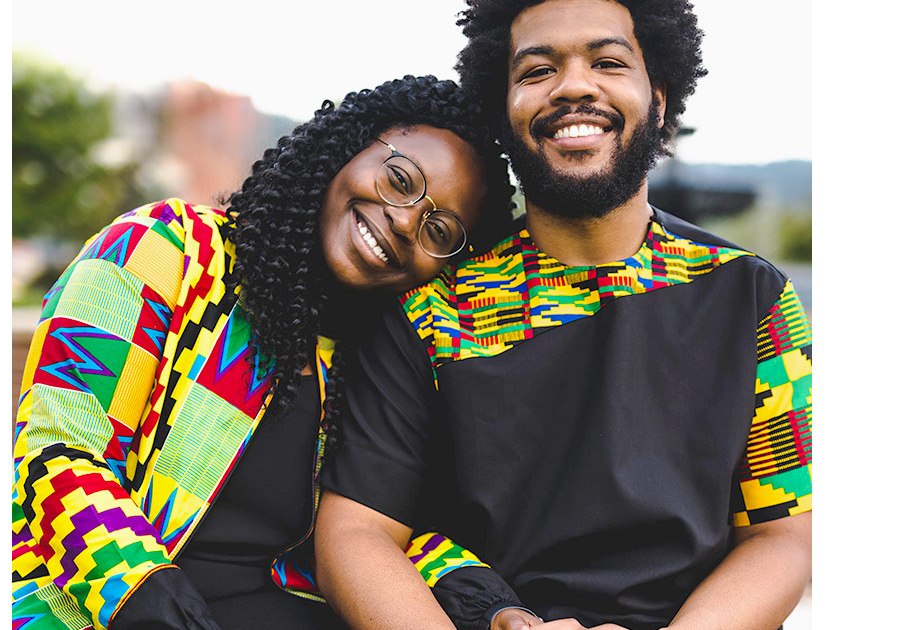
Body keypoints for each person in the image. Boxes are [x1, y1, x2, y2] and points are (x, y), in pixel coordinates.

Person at [315, 2, 813, 629]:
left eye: (607, 62)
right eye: (536, 71)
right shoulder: (429, 306)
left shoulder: (753, 298)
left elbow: (782, 538)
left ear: (658, 99)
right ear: (503, 111)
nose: (574, 86)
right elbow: (355, 534)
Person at [11, 75, 517, 630]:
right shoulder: (165, 249)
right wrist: (139, 589)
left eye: (438, 230)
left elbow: (375, 531)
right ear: (348, 146)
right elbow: (57, 452)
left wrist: (493, 607)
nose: (403, 220)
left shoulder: (365, 353)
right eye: (400, 180)